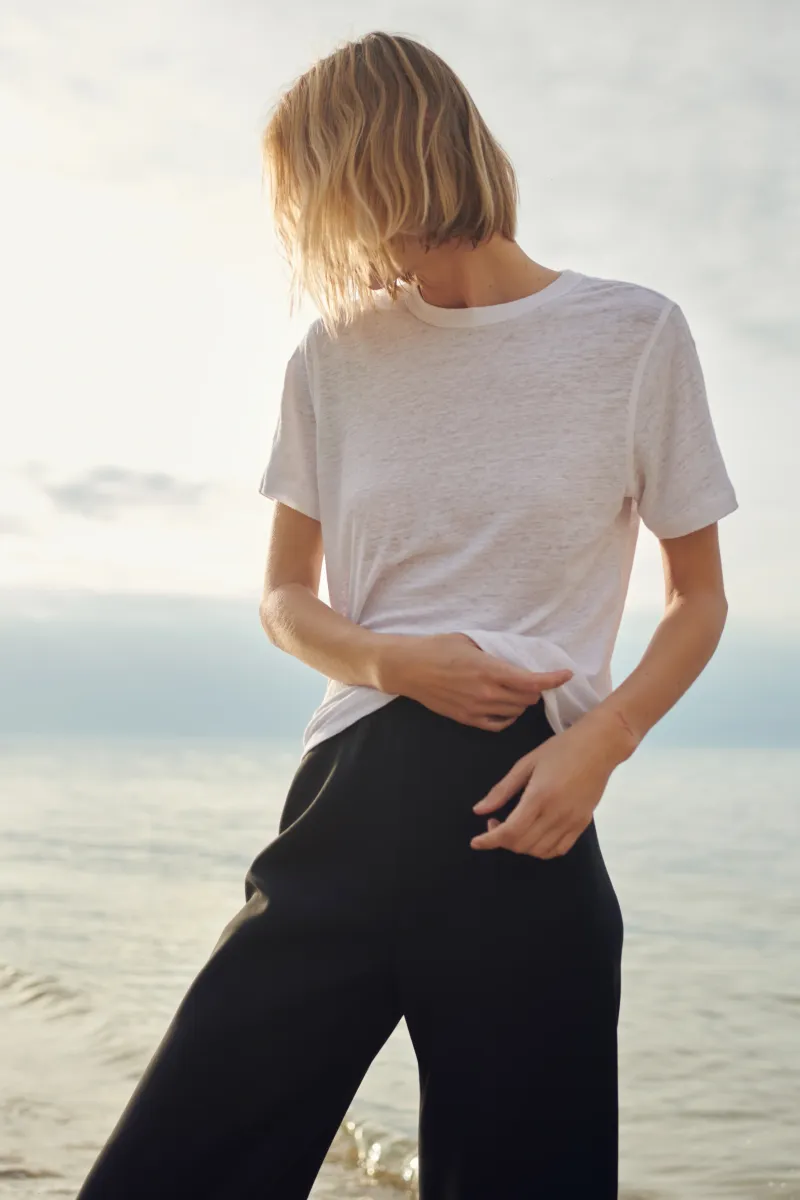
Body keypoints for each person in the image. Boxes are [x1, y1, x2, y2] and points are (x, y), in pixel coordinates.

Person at [76, 30, 739, 1200]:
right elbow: (284, 599)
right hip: (347, 800)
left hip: (525, 812)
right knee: (169, 1171)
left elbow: (698, 597)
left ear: (386, 160)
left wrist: (600, 742)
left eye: (323, 189)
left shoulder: (633, 335)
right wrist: (394, 658)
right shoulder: (333, 355)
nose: (320, 228)